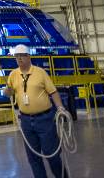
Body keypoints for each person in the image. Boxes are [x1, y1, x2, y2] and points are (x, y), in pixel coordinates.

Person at [5, 45, 69, 178]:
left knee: (52, 154)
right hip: (26, 121)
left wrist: (60, 108)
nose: (19, 58)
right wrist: (7, 92)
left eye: (22, 55)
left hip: (44, 119)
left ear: (28, 56)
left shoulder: (40, 73)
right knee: (33, 158)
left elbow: (53, 92)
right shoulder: (13, 74)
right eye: (17, 56)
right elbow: (9, 91)